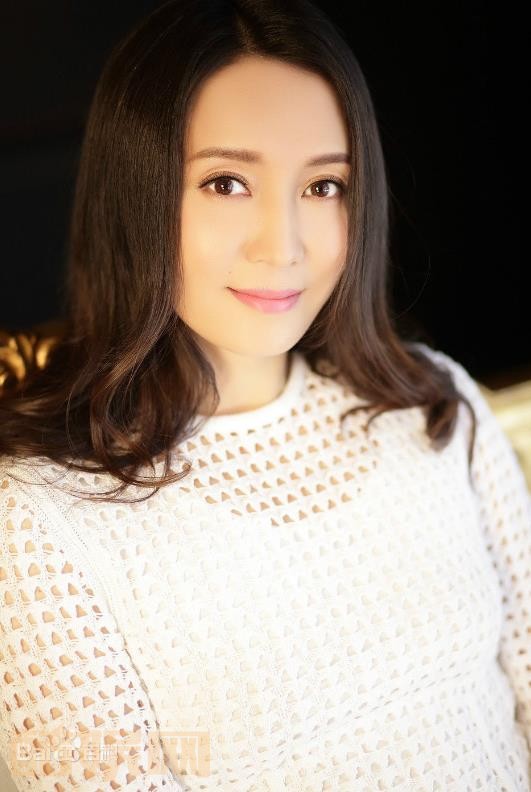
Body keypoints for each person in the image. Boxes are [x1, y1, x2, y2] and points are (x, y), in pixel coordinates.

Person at [0, 0, 530, 789]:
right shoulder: (44, 518)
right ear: (134, 193)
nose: (281, 246)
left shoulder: (432, 404)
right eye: (226, 182)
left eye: (323, 186)